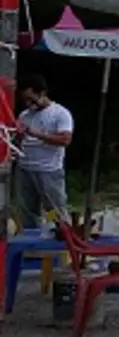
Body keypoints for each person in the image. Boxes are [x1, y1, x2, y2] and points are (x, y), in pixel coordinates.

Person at [12, 75, 73, 231]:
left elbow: (65, 139)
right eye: (25, 100)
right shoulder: (25, 115)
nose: (28, 104)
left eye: (32, 99)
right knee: (27, 211)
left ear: (42, 93)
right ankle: (32, 241)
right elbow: (18, 141)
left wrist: (37, 133)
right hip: (25, 169)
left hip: (48, 170)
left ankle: (60, 238)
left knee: (52, 209)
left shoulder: (60, 113)